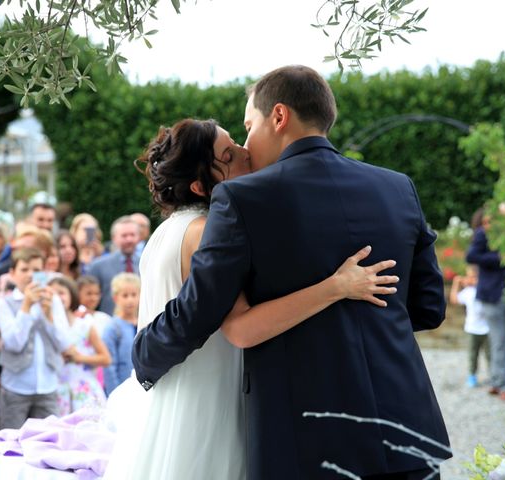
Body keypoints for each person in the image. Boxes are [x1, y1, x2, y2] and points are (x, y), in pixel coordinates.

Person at [132, 66, 450, 480]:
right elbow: (428, 308)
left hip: (305, 440)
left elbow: (200, 311)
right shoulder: (397, 187)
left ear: (278, 117)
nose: (245, 144)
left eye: (248, 126)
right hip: (405, 428)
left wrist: (144, 354)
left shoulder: (242, 198)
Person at [104, 117, 400, 480]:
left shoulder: (165, 232)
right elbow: (243, 326)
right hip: (210, 403)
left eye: (236, 141)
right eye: (229, 154)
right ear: (200, 185)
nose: (246, 153)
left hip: (170, 398)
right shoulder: (207, 232)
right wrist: (337, 286)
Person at [0, 248, 72, 430]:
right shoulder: (4, 303)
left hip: (48, 385)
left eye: (36, 270)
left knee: (47, 439)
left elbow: (64, 343)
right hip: (16, 386)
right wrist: (26, 307)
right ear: (12, 274)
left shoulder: (52, 301)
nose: (30, 275)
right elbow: (14, 343)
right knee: (11, 440)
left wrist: (49, 317)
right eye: (24, 269)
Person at [466, 208, 505, 402]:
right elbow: (471, 256)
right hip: (493, 295)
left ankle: (497, 382)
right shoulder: (484, 232)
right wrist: (500, 259)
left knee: (504, 341)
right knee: (499, 341)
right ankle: (503, 385)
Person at [48, 277, 111, 415]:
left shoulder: (84, 325)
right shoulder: (47, 327)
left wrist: (79, 357)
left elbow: (106, 358)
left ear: (72, 295)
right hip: (57, 390)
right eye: (52, 293)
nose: (57, 298)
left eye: (61, 293)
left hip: (83, 390)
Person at [87, 216, 140, 315]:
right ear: (114, 238)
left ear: (138, 237)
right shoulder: (98, 266)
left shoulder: (146, 264)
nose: (129, 239)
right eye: (124, 236)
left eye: (132, 235)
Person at [450, 265, 489, 387]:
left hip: (488, 328)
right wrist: (456, 283)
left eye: (473, 277)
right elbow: (454, 300)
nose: (470, 279)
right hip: (472, 329)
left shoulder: (484, 289)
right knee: (473, 355)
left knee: (490, 355)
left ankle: (494, 376)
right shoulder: (468, 292)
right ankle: (472, 375)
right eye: (469, 277)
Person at [102, 273, 140, 396]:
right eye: (125, 295)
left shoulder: (144, 323)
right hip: (122, 387)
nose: (130, 300)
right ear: (116, 298)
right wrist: (114, 393)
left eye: (134, 295)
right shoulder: (113, 328)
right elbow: (109, 366)